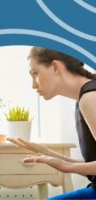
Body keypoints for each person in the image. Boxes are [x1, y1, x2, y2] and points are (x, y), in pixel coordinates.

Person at [8, 47, 96, 199]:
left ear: (55, 67)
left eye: (35, 74)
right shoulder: (83, 98)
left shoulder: (90, 98)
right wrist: (48, 153)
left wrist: (66, 167)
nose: (33, 85)